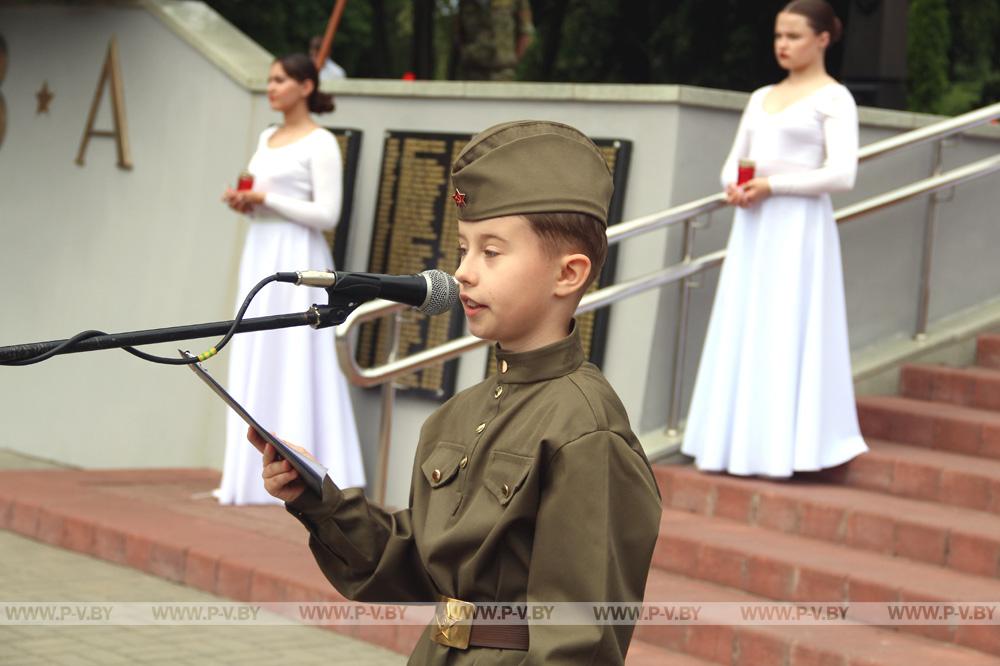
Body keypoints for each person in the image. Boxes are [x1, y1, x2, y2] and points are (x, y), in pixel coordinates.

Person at [252, 120, 662, 663]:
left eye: (492, 252)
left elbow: (580, 636)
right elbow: (416, 565)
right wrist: (318, 499)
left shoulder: (584, 427)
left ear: (569, 273)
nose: (463, 272)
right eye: (463, 249)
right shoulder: (459, 414)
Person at [682, 0, 868, 477]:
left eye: (794, 36)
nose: (783, 45)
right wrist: (736, 185)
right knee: (747, 323)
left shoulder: (834, 98)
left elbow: (842, 173)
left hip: (800, 229)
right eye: (778, 36)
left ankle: (793, 451)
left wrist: (772, 185)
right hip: (755, 225)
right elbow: (734, 159)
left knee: (791, 324)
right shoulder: (761, 94)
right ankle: (731, 446)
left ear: (823, 38)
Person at [216, 53, 365, 505]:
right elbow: (262, 194)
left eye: (281, 79)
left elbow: (327, 213)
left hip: (299, 255)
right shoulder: (266, 136)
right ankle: (248, 473)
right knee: (257, 346)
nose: (272, 87)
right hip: (261, 250)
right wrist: (248, 202)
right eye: (269, 79)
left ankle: (308, 469)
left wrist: (268, 199)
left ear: (306, 86)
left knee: (297, 349)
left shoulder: (320, 142)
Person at [455, 0, 535, 81]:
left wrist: (512, 62)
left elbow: (526, 34)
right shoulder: (464, 2)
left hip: (503, 74)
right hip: (470, 73)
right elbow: (458, 33)